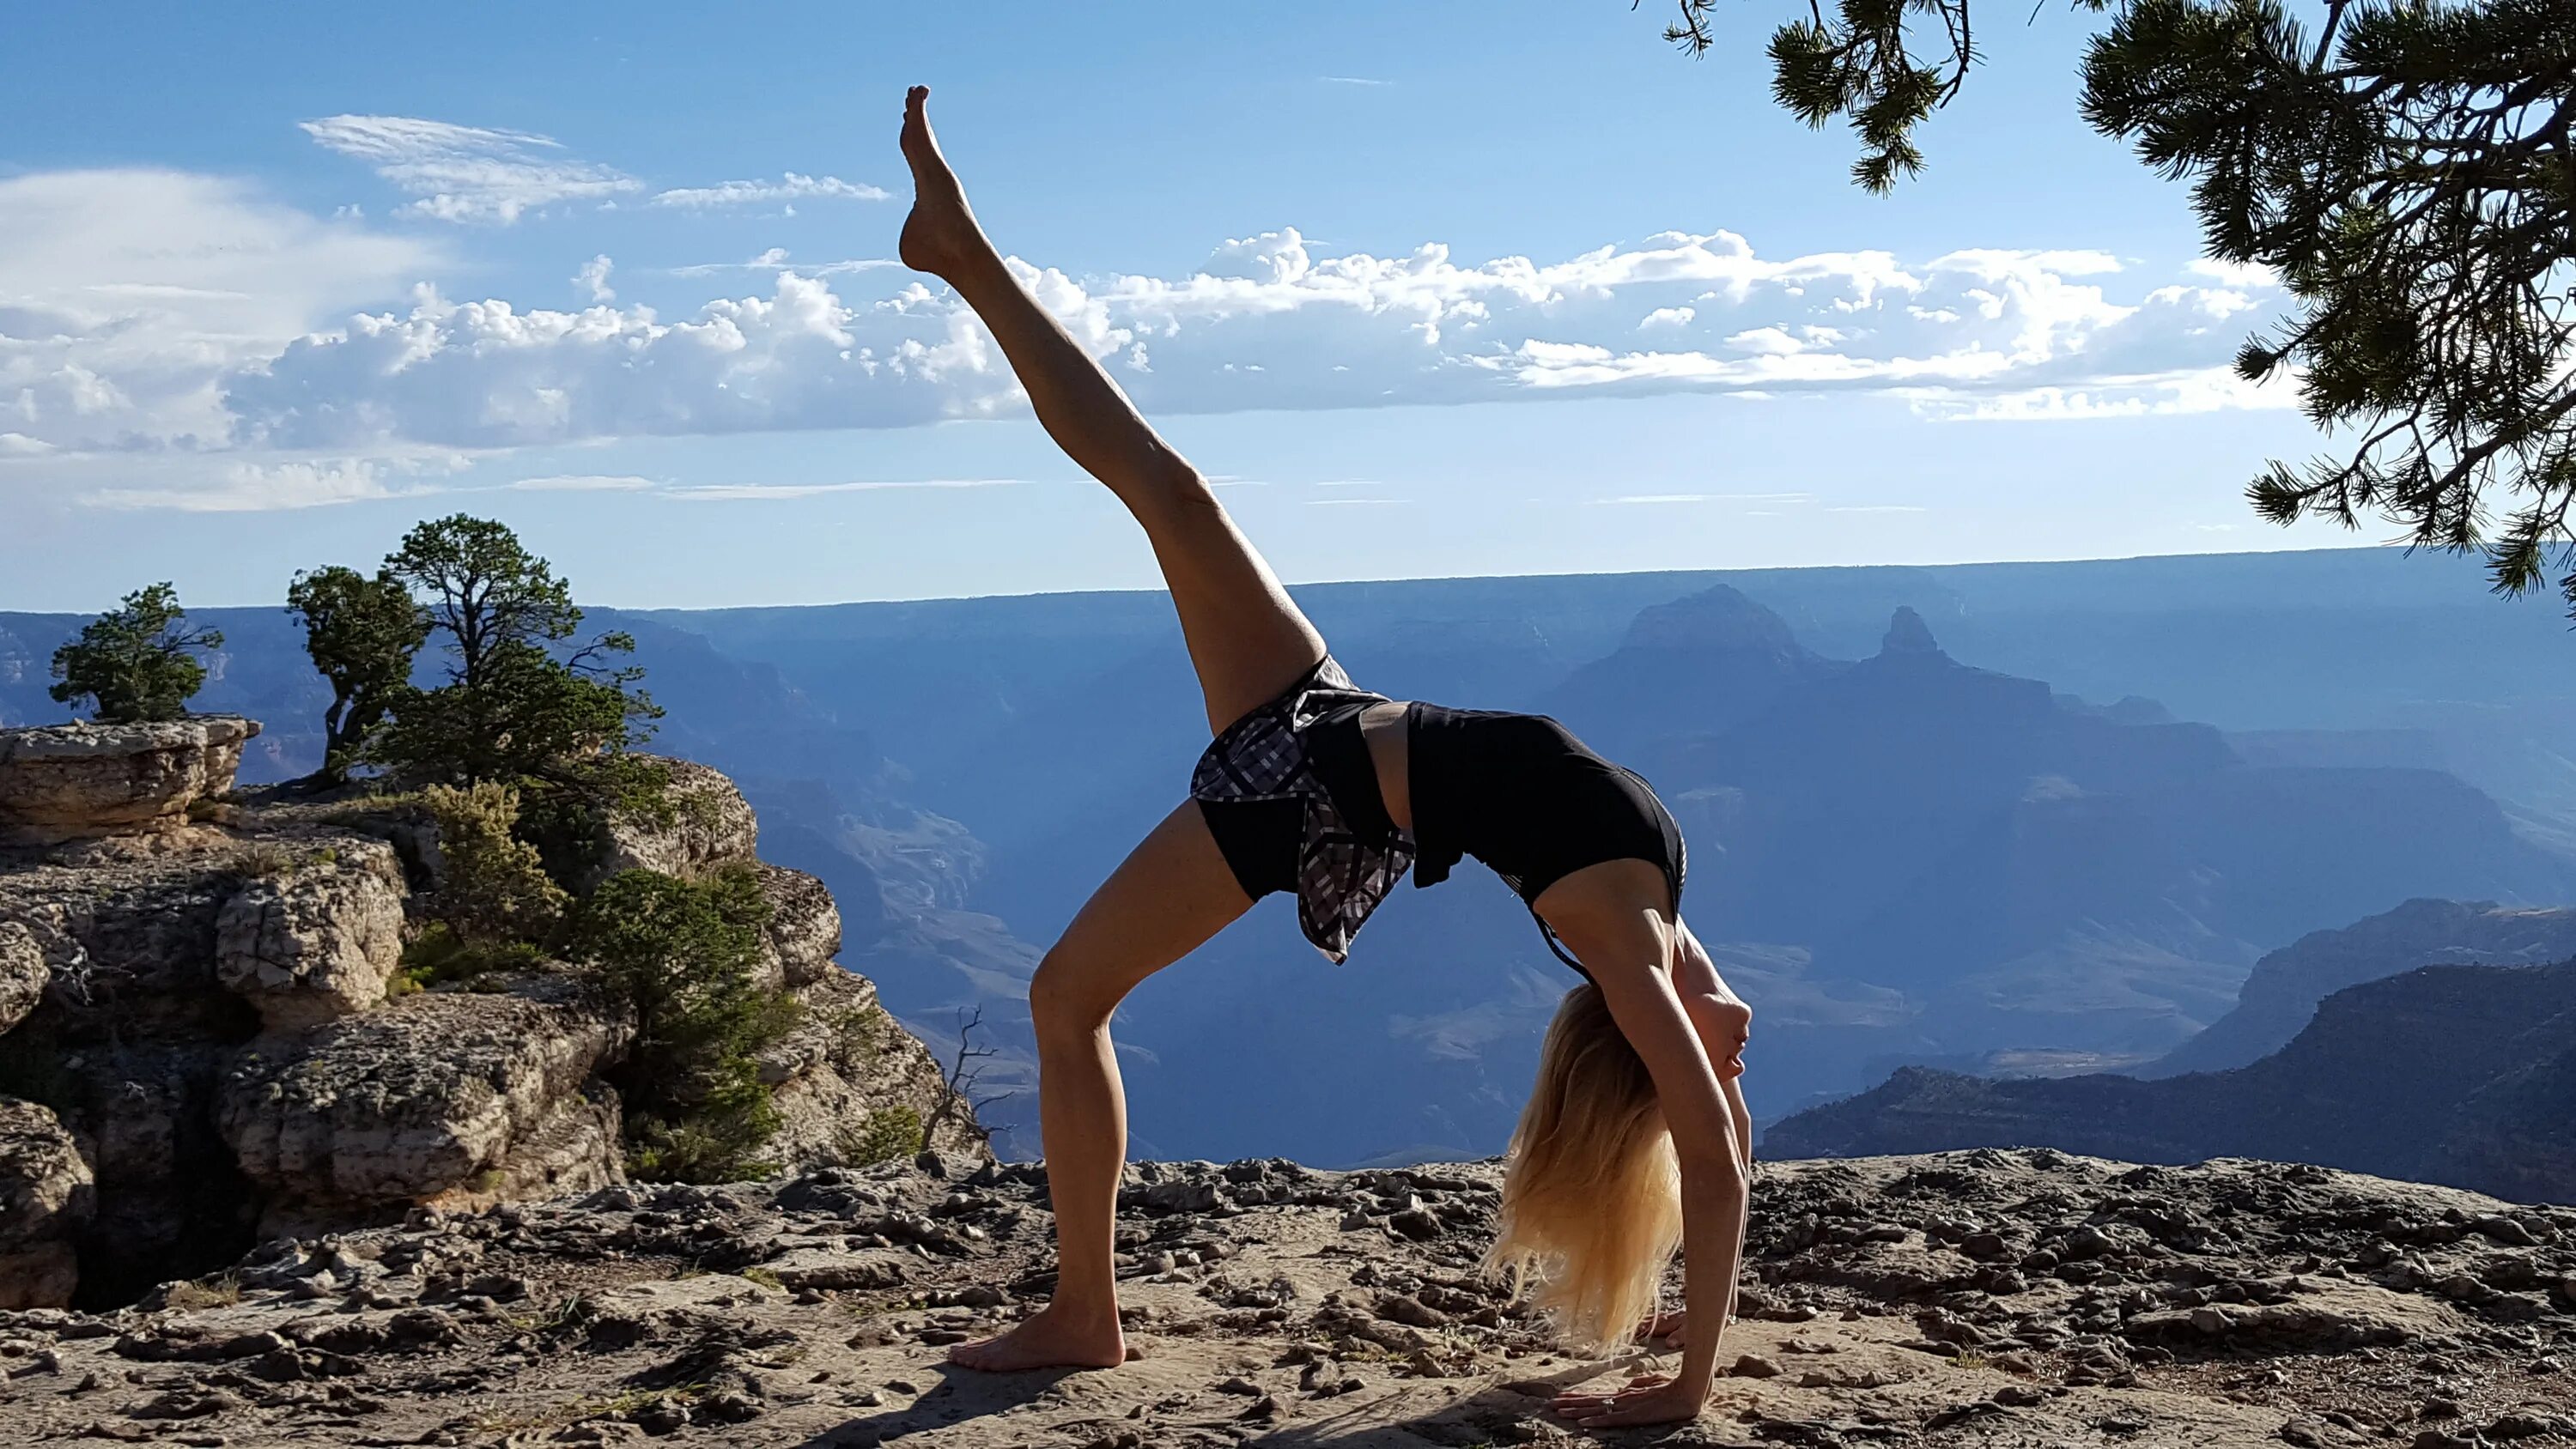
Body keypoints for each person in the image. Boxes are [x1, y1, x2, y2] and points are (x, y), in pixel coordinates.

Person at [896, 85, 1756, 1430]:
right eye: (1728, 1048)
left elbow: (1712, 1149)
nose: (1738, 1044)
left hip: (1305, 794)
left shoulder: (1619, 935)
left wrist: (1688, 1391)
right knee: (1174, 490)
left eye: (1709, 1054)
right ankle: (959, 254)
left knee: (1066, 998)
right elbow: (1722, 1114)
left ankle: (1085, 1310)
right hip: (1333, 713)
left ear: (1642, 1049)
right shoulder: (1663, 906)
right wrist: (1700, 1114)